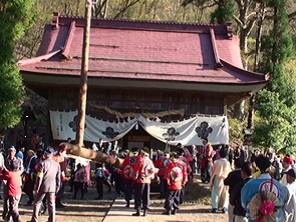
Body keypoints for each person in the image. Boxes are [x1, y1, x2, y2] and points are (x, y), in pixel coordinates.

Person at [241, 154, 284, 222]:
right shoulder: (278, 185)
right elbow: (280, 203)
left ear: (255, 168)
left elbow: (244, 204)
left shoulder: (249, 185)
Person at [28, 146, 61, 222]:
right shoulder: (57, 165)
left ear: (46, 154)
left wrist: (37, 187)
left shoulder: (42, 164)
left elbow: (39, 177)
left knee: (37, 203)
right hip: (52, 187)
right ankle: (52, 220)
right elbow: (58, 178)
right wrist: (58, 187)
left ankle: (34, 219)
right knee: (51, 204)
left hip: (43, 186)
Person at [132, 147, 155, 217]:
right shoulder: (150, 161)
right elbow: (152, 171)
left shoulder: (140, 160)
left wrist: (134, 178)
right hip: (147, 180)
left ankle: (138, 210)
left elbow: (136, 171)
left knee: (138, 196)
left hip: (140, 180)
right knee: (146, 195)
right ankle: (145, 211)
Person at [209, 146, 231, 213]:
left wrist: (211, 179)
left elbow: (212, 170)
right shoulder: (227, 163)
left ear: (219, 154)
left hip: (217, 178)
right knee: (225, 193)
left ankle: (215, 207)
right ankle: (224, 207)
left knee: (215, 192)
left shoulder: (216, 162)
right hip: (226, 178)